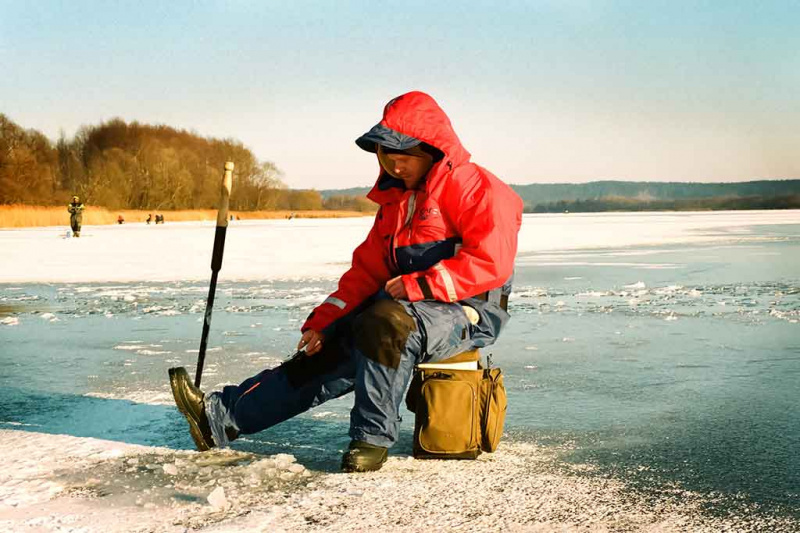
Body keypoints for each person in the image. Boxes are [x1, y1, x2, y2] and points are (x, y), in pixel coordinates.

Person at [169, 91, 523, 472]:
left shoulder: (477, 188)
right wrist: (325, 321)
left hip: (467, 311)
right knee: (333, 348)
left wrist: (420, 285)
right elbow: (366, 272)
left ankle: (371, 440)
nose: (393, 164)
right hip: (404, 309)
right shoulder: (396, 205)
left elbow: (491, 262)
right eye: (386, 155)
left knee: (386, 324)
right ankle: (221, 417)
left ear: (431, 150)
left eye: (401, 155)